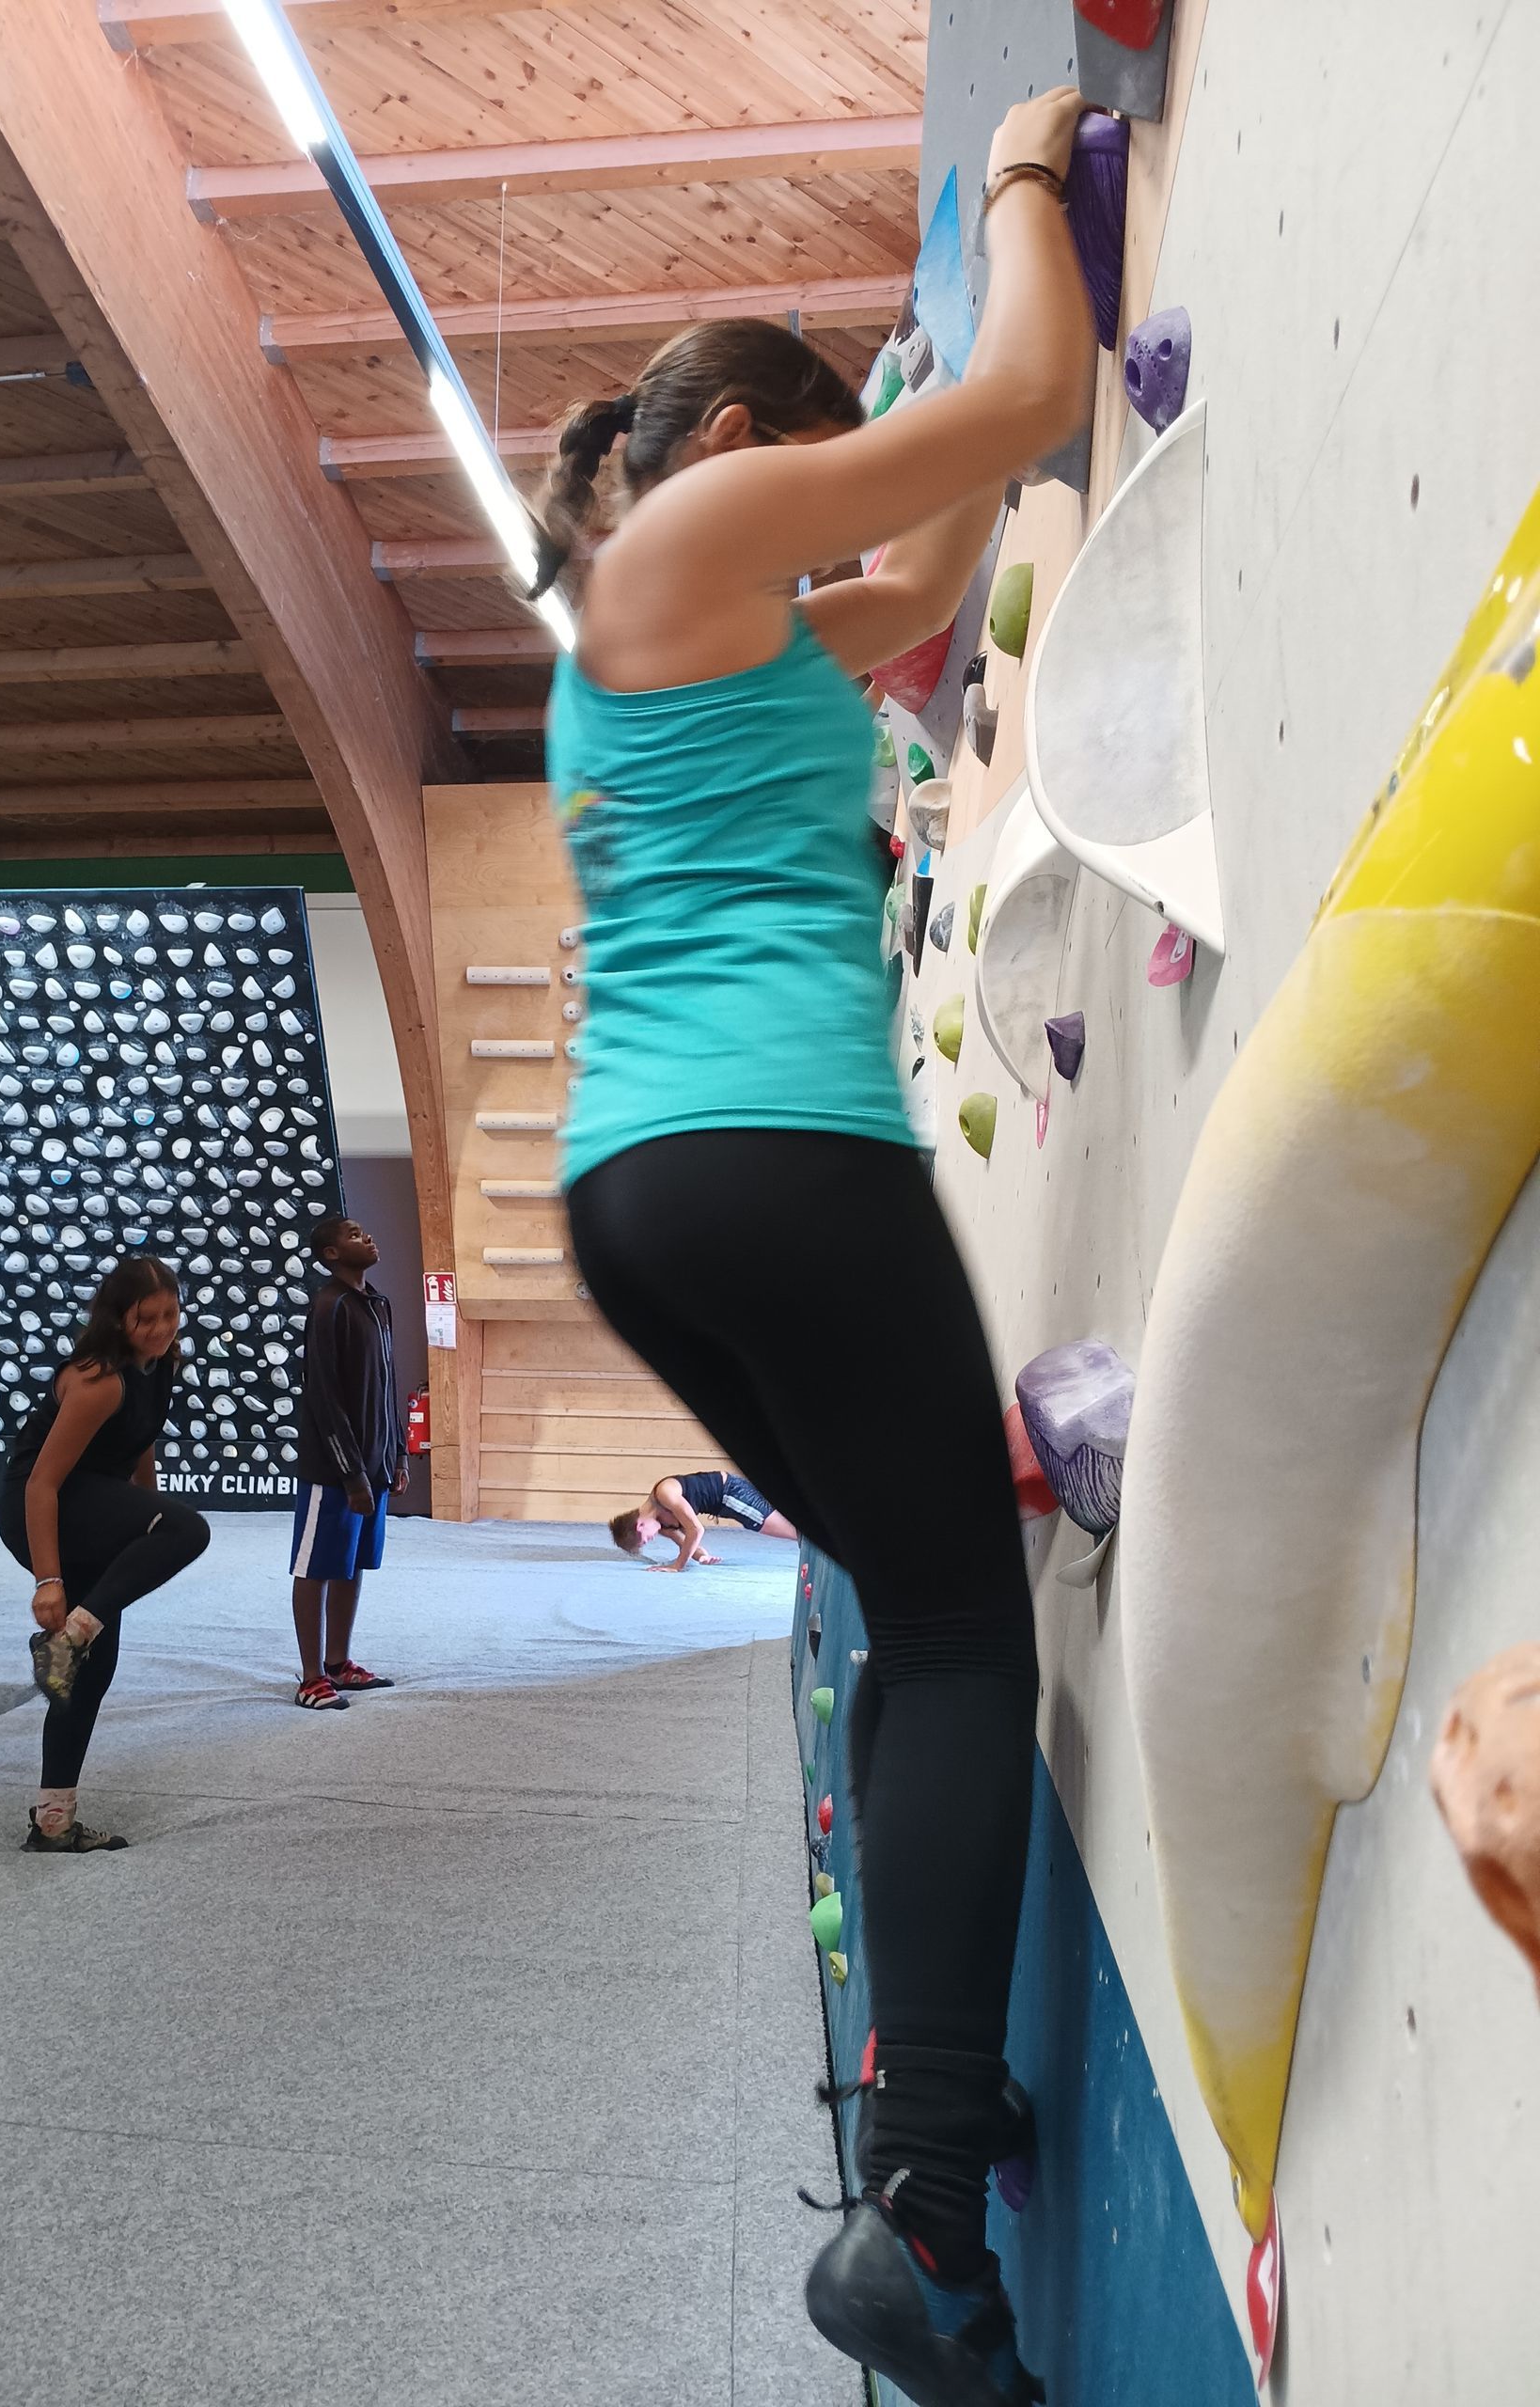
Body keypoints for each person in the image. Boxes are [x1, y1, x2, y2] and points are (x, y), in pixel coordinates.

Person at [538, 88, 1093, 2407]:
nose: (833, 482)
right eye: (824, 447)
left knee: (913, 1606)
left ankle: (924, 2112)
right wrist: (1041, 179)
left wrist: (935, 414)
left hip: (649, 1190)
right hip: (771, 1147)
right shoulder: (708, 521)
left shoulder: (699, 614)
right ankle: (925, 2200)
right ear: (755, 437)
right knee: (967, 1630)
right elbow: (1032, 408)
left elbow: (947, 557)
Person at [0, 1255, 209, 1852]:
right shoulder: (97, 1380)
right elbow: (41, 1485)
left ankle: (53, 1822)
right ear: (117, 1319)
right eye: (147, 1319)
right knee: (192, 1531)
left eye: (170, 1315)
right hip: (44, 1509)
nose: (162, 1328)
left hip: (95, 1510)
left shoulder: (160, 1365)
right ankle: (64, 1635)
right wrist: (49, 1580)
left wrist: (146, 1527)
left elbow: (139, 1453)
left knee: (86, 1675)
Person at [289, 1215, 408, 1709]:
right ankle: (311, 1676)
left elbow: (387, 1384)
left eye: (368, 1230)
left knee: (351, 1563)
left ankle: (339, 1663)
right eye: (356, 1234)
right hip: (335, 1472)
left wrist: (396, 1453)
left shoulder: (376, 1303)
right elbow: (324, 1396)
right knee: (315, 1567)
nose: (369, 1236)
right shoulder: (328, 1305)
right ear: (331, 1254)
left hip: (375, 1468)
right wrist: (352, 1473)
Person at [609, 1470, 796, 1569]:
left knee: (791, 1532)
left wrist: (677, 1566)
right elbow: (688, 1544)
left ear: (639, 1526)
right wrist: (702, 1557)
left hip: (731, 1493)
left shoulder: (664, 1493)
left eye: (646, 1539)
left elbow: (696, 1530)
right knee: (788, 1526)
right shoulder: (663, 1526)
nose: (652, 1539)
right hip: (726, 1504)